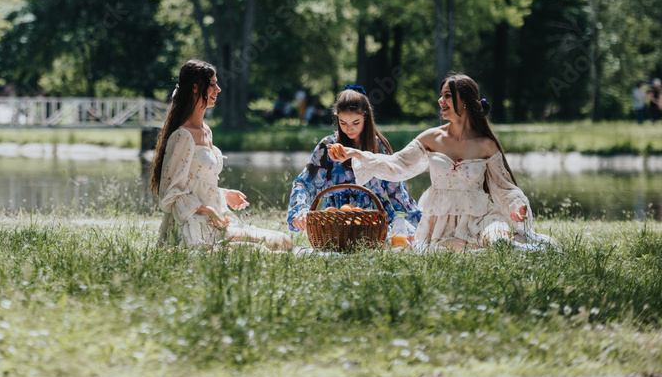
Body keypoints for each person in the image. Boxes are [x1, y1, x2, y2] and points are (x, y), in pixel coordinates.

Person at [328, 74, 551, 251]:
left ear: (464, 102)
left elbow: (504, 187)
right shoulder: (430, 138)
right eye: (441, 95)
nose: (440, 101)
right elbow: (396, 165)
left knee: (497, 242)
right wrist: (355, 154)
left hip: (480, 216)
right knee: (451, 250)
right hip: (442, 222)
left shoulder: (485, 144)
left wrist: (516, 206)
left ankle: (514, 248)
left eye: (447, 96)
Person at [150, 59, 292, 250]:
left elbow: (196, 182)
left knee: (283, 241)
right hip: (192, 226)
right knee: (267, 249)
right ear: (194, 87)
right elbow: (170, 192)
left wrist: (223, 194)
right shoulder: (182, 135)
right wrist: (207, 210)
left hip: (217, 220)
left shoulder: (207, 131)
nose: (218, 89)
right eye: (212, 84)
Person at [287, 85, 422, 238]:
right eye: (343, 123)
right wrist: (300, 210)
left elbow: (397, 192)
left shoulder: (378, 147)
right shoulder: (328, 146)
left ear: (366, 117)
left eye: (355, 123)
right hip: (336, 218)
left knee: (408, 238)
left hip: (375, 219)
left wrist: (423, 223)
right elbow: (304, 183)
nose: (349, 129)